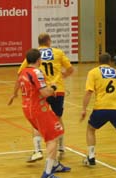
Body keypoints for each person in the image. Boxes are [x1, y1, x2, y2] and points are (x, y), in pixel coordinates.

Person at [8, 49, 71, 178]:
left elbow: (18, 82)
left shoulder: (23, 71)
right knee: (53, 137)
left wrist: (14, 94)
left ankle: (55, 164)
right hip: (38, 109)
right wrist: (53, 88)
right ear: (38, 60)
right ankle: (48, 173)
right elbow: (44, 93)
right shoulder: (36, 72)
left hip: (27, 109)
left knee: (56, 131)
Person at [17, 33, 74, 162]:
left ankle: (37, 150)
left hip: (41, 90)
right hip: (58, 90)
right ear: (49, 41)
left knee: (37, 120)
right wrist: (62, 76)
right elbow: (70, 69)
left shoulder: (35, 54)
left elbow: (21, 72)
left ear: (39, 42)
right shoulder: (58, 52)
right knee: (58, 118)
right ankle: (61, 147)